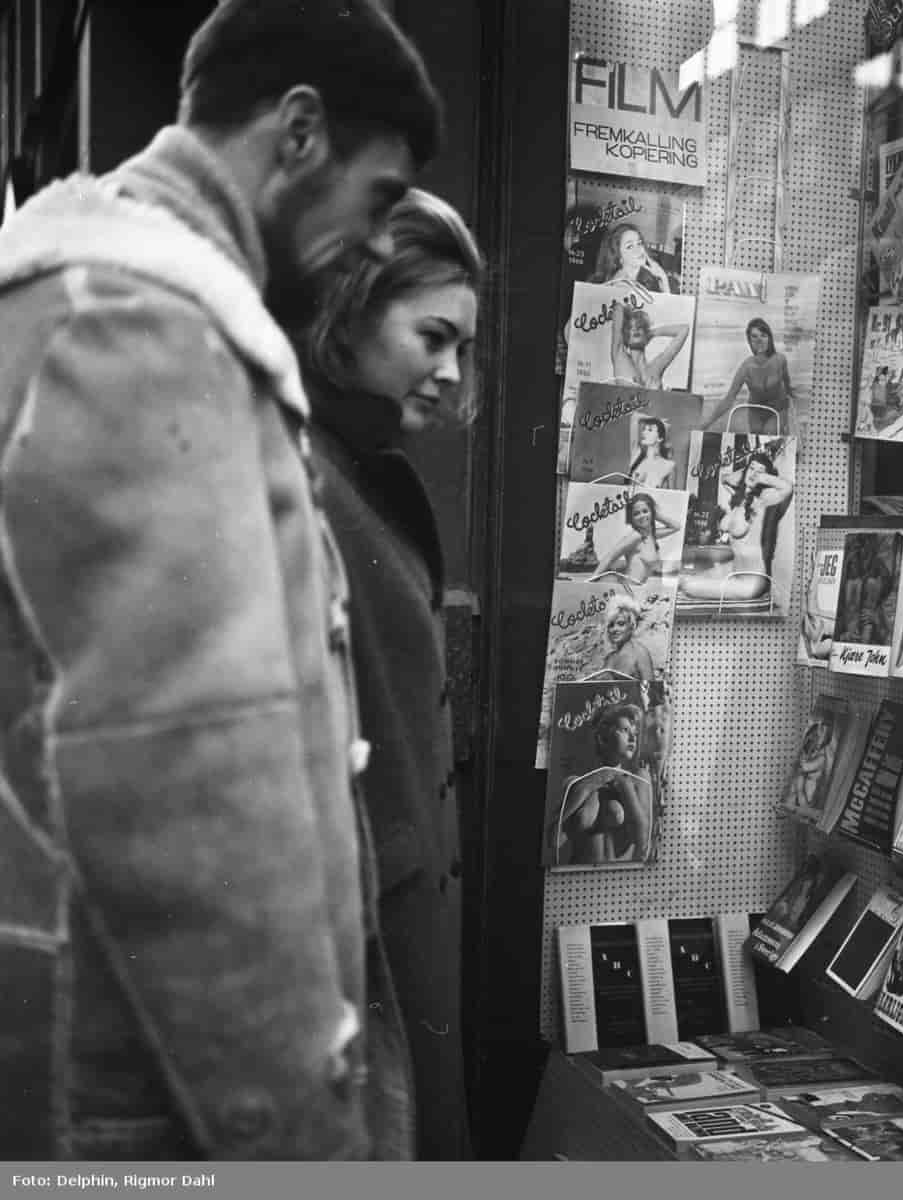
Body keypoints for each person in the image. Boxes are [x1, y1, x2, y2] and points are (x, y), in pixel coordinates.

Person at [0, 0, 441, 1163]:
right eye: (379, 198)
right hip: (144, 1106)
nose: (375, 241)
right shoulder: (141, 330)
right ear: (298, 133)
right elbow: (193, 810)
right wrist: (307, 1152)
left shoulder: (77, 303)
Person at [300, 189, 482, 1160]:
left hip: (406, 926)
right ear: (352, 305)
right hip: (349, 947)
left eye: (464, 348)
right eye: (432, 335)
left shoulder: (373, 474)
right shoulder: (295, 474)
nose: (452, 373)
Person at [678, 448, 794, 606]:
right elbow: (725, 478)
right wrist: (749, 470)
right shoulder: (738, 499)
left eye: (761, 472)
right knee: (682, 576)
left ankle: (760, 468)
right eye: (752, 468)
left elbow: (787, 487)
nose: (755, 473)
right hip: (733, 568)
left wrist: (760, 476)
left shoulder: (762, 501)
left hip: (751, 581)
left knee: (688, 586)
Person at [555, 703, 653, 866]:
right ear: (603, 739)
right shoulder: (577, 783)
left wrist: (624, 787)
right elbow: (555, 841)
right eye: (625, 730)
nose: (633, 738)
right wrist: (589, 786)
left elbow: (643, 842)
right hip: (581, 877)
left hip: (620, 879)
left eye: (634, 732)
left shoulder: (638, 780)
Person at [701, 318, 795, 435]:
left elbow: (786, 380)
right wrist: (706, 423)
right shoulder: (746, 367)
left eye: (763, 335)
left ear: (769, 339)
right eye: (754, 337)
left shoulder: (780, 360)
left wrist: (790, 396)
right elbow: (729, 399)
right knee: (756, 443)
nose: (759, 340)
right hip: (755, 412)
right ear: (749, 341)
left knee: (769, 434)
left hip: (778, 409)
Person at [593, 492, 682, 584]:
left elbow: (676, 527)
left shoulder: (650, 535)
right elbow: (610, 557)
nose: (642, 516)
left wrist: (655, 514)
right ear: (631, 518)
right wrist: (590, 581)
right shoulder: (635, 536)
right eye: (636, 513)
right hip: (628, 589)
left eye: (645, 511)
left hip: (639, 591)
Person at [610, 301, 690, 389]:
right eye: (630, 328)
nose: (635, 329)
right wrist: (629, 313)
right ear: (625, 335)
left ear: (646, 333)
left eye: (639, 326)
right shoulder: (619, 355)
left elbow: (684, 329)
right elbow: (618, 308)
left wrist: (652, 333)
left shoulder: (656, 367)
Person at [589, 222, 672, 294]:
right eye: (630, 246)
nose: (639, 249)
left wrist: (663, 278)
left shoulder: (641, 279)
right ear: (618, 256)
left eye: (639, 243)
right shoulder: (621, 285)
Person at [599, 595, 655, 680]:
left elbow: (651, 690)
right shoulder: (610, 658)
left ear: (631, 625)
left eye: (621, 624)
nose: (615, 629)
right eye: (611, 625)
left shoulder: (640, 653)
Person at [628, 416, 677, 488]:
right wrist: (656, 419)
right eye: (644, 429)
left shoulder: (669, 465)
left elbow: (673, 497)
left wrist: (658, 422)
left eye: (650, 430)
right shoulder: (636, 455)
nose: (644, 432)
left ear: (660, 438)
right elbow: (635, 417)